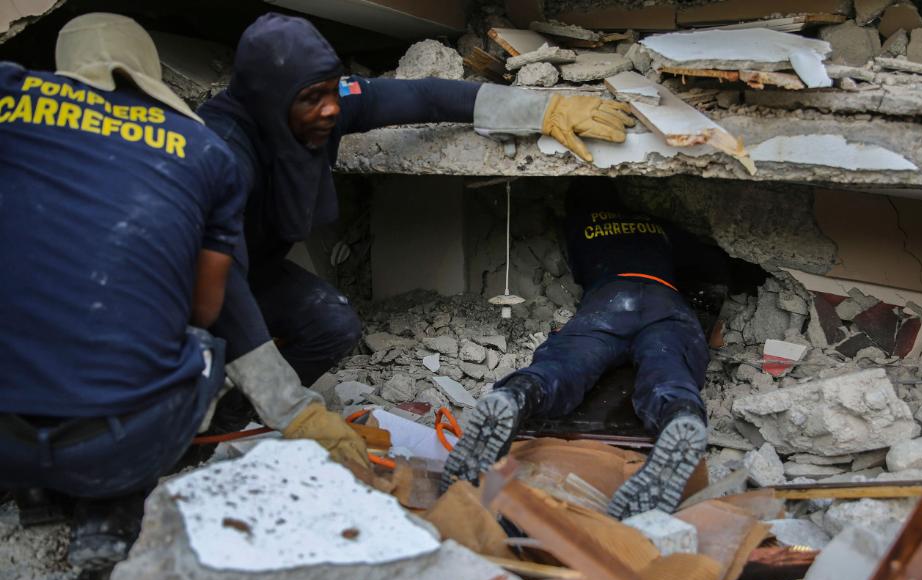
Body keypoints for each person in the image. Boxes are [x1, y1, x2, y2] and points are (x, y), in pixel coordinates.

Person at [194, 13, 637, 463]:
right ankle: (189, 431)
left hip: (255, 269)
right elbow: (224, 295)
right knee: (209, 360)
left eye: (332, 90)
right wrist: (295, 412)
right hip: (193, 288)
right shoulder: (219, 152)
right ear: (268, 100)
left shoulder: (313, 105)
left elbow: (423, 95)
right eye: (313, 98)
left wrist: (542, 110)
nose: (331, 107)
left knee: (332, 324)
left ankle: (229, 422)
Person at [0, 13, 246, 567]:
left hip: (5, 440)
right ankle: (109, 509)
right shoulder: (207, 152)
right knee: (206, 350)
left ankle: (33, 490)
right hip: (115, 444)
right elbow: (205, 309)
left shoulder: (10, 94)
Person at [444, 178, 718, 519]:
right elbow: (710, 263)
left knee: (566, 363)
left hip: (609, 300)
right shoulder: (656, 226)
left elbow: (575, 269)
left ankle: (517, 395)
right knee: (667, 367)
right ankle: (679, 414)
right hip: (663, 299)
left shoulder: (578, 225)